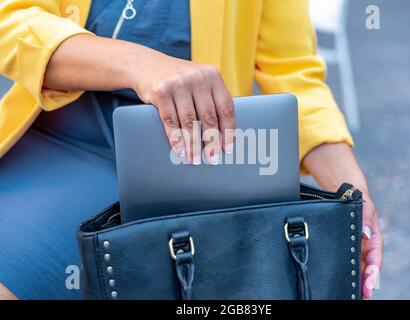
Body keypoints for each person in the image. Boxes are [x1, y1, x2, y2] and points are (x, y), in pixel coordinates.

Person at [0, 0, 383, 299]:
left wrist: (352, 192)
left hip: (187, 163)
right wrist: (140, 64)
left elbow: (292, 73)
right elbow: (11, 19)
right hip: (52, 140)